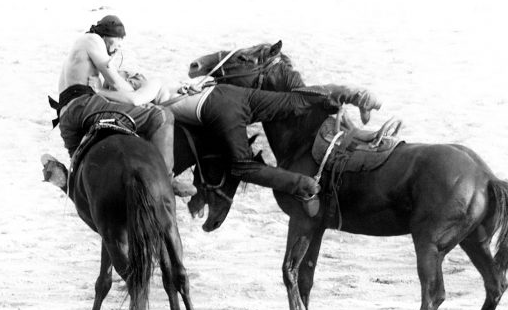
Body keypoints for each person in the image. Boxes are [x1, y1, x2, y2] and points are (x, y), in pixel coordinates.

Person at [158, 81, 381, 212]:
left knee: (243, 167)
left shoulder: (149, 92)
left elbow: (136, 100)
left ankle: (304, 186)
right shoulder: (170, 84)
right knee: (293, 101)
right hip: (228, 92)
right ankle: (356, 95)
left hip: (218, 108)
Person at [53, 15, 196, 197]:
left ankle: (69, 182)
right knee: (160, 116)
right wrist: (135, 95)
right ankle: (167, 181)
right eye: (117, 42)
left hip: (66, 118)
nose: (117, 48)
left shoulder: (77, 51)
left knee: (81, 174)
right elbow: (116, 81)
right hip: (84, 106)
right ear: (106, 35)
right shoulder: (93, 39)